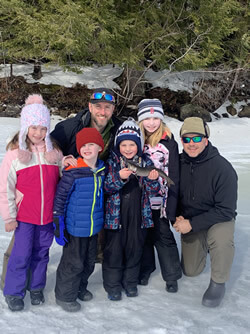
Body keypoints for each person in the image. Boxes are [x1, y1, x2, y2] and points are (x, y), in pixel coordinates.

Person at [0, 87, 121, 288]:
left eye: (107, 107)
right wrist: (22, 148)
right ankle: (8, 282)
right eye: (98, 106)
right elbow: (47, 146)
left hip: (95, 190)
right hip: (55, 193)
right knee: (22, 242)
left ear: (113, 109)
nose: (102, 111)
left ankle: (96, 258)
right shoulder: (70, 127)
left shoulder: (117, 128)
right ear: (90, 107)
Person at [0, 94, 62, 312]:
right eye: (34, 128)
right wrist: (8, 216)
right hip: (24, 217)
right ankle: (13, 291)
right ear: (26, 127)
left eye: (43, 128)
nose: (38, 133)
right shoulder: (15, 154)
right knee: (20, 254)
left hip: (47, 218)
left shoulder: (53, 153)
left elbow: (63, 176)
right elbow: (5, 187)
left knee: (41, 254)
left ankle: (36, 287)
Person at [173, 117, 237, 308]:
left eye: (197, 139)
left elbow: (226, 210)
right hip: (193, 218)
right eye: (187, 139)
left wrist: (191, 224)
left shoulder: (223, 169)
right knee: (190, 270)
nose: (191, 144)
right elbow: (172, 192)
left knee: (221, 239)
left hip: (218, 218)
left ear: (206, 140)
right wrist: (177, 216)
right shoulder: (177, 163)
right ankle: (204, 245)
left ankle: (218, 282)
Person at [102, 118, 160, 301]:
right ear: (118, 145)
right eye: (124, 144)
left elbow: (153, 191)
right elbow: (106, 187)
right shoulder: (111, 163)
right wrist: (119, 177)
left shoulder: (145, 162)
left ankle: (130, 283)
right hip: (115, 217)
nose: (128, 149)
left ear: (139, 146)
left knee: (135, 250)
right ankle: (113, 286)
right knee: (114, 252)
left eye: (132, 144)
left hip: (138, 216)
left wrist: (151, 179)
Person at [53, 127, 106, 312]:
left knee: (89, 261)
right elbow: (60, 199)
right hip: (75, 228)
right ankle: (65, 295)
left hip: (93, 227)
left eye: (91, 144)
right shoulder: (73, 171)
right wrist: (58, 224)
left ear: (100, 147)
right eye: (83, 145)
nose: (87, 148)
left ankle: (80, 288)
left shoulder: (101, 170)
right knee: (73, 263)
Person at [137, 98, 182, 292]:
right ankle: (146, 269)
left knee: (163, 235)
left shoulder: (168, 142)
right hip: (140, 199)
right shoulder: (136, 140)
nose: (152, 123)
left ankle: (171, 275)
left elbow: (174, 174)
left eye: (156, 118)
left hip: (160, 199)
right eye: (147, 118)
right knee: (144, 236)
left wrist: (171, 205)